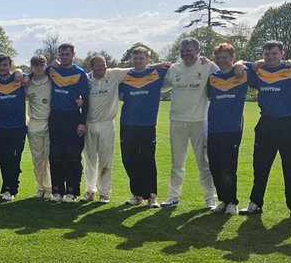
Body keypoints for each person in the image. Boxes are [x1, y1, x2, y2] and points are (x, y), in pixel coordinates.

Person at [240, 41, 291, 219]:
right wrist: (248, 63)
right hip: (267, 124)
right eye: (267, 54)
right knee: (260, 166)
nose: (270, 57)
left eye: (274, 54)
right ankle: (255, 203)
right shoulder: (258, 70)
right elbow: (238, 64)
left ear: (282, 53)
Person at [160, 38, 219, 209]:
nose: (186, 54)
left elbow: (226, 71)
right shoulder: (174, 68)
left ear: (198, 50)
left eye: (190, 50)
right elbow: (161, 87)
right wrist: (156, 67)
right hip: (177, 121)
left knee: (204, 162)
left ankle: (210, 198)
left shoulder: (207, 65)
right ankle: (173, 196)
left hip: (200, 121)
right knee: (177, 162)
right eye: (183, 51)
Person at [118, 47, 168, 208]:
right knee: (129, 160)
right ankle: (137, 194)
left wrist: (159, 65)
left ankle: (151, 195)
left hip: (147, 125)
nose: (138, 61)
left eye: (141, 58)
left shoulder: (157, 74)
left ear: (148, 60)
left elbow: (175, 66)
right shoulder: (125, 76)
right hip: (127, 125)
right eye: (135, 58)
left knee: (147, 159)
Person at [204, 43, 248, 215]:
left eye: (225, 57)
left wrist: (241, 64)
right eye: (218, 58)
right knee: (215, 166)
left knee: (228, 167)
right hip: (213, 129)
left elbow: (257, 63)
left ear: (232, 58)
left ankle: (232, 202)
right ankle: (223, 200)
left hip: (232, 129)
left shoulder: (243, 74)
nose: (221, 61)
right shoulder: (211, 78)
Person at [82, 54, 128, 203]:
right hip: (89, 123)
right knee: (89, 160)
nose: (102, 68)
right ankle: (90, 190)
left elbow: (138, 68)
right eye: (98, 66)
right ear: (91, 67)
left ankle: (105, 192)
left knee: (105, 160)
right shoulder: (85, 79)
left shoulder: (114, 74)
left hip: (107, 124)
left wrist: (161, 66)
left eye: (104, 65)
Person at [48, 44, 90, 203]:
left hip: (73, 118)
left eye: (67, 54)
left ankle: (72, 191)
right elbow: (33, 73)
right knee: (56, 156)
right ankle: (57, 191)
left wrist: (82, 122)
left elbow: (85, 100)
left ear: (73, 54)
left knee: (72, 156)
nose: (64, 57)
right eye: (61, 54)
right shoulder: (52, 70)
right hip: (56, 117)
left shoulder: (79, 73)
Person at [0, 55, 27, 201]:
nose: (2, 68)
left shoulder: (19, 79)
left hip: (18, 127)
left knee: (14, 158)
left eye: (5, 65)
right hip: (0, 126)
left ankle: (11, 187)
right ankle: (8, 187)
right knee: (2, 158)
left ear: (10, 66)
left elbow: (29, 75)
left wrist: (19, 71)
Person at [25, 54, 53, 199]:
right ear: (32, 67)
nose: (39, 68)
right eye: (36, 65)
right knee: (37, 159)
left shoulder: (51, 80)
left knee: (47, 159)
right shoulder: (28, 83)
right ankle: (40, 187)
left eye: (41, 64)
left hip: (49, 123)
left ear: (45, 65)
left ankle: (49, 188)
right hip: (34, 125)